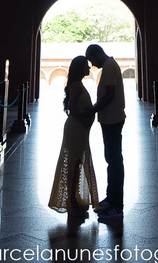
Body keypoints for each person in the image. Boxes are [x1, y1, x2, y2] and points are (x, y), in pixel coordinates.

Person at [48, 56, 98, 220]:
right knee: (74, 165)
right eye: (86, 66)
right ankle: (71, 202)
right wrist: (84, 120)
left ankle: (75, 200)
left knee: (77, 165)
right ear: (79, 68)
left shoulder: (78, 84)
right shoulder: (76, 86)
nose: (89, 68)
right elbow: (72, 108)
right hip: (76, 129)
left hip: (80, 130)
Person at [86, 44, 125, 222]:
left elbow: (109, 95)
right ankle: (111, 199)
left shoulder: (109, 67)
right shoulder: (110, 65)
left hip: (112, 119)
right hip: (110, 119)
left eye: (92, 60)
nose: (92, 65)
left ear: (97, 54)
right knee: (112, 160)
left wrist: (92, 110)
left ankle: (116, 205)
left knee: (114, 161)